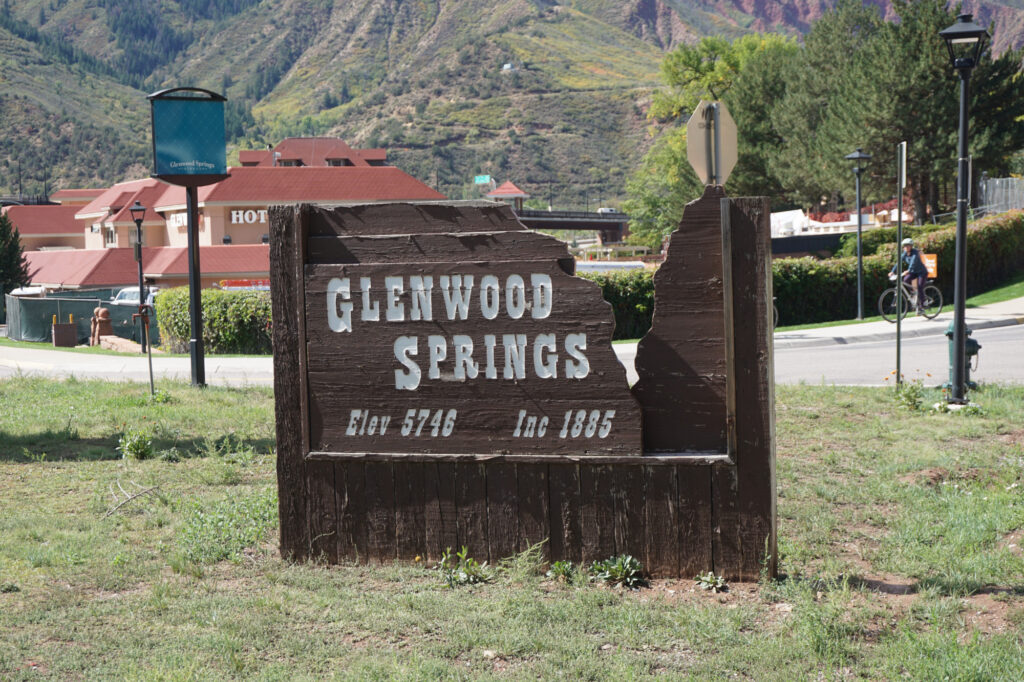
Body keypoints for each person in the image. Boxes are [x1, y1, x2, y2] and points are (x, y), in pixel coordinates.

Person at [891, 237, 928, 314]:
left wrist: (908, 270)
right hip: (913, 272)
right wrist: (892, 271)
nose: (906, 247)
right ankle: (912, 293)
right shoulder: (904, 254)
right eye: (904, 246)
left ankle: (924, 303)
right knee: (905, 280)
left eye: (908, 246)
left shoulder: (915, 252)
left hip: (922, 272)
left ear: (911, 246)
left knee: (920, 286)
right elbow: (899, 262)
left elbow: (913, 262)